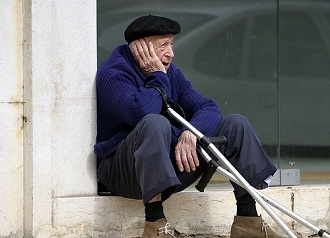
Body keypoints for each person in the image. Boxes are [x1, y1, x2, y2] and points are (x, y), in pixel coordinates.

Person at [95, 14, 282, 238]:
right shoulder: (113, 74)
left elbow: (208, 107)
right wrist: (157, 76)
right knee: (155, 123)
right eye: (163, 45)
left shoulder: (170, 73)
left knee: (235, 124)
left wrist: (190, 132)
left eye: (171, 44)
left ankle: (248, 221)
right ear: (140, 47)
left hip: (170, 166)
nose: (171, 53)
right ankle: (155, 225)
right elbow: (142, 113)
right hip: (124, 172)